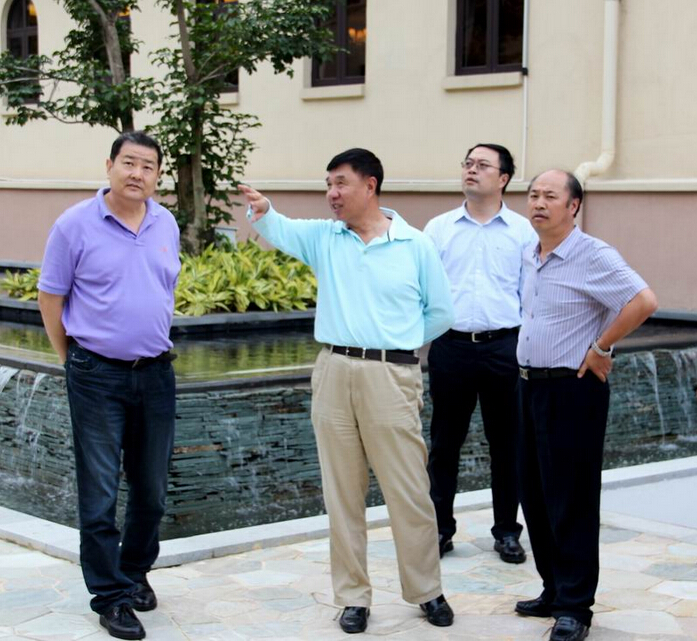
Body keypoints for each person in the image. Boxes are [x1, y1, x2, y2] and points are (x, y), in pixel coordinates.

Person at [239, 148, 455, 634]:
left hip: (391, 375)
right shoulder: (325, 237)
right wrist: (264, 209)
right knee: (342, 494)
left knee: (409, 491)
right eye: (328, 185)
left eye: (340, 183)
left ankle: (427, 590)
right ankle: (353, 597)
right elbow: (281, 228)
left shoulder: (414, 244)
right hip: (334, 370)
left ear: (370, 186)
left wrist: (397, 340)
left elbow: (441, 312)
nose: (332, 194)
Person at [37, 131, 180, 641]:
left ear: (157, 175)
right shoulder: (74, 225)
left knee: (152, 490)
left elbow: (163, 289)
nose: (137, 173)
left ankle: (135, 572)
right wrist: (72, 360)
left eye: (148, 166)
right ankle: (110, 597)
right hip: (96, 374)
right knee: (99, 493)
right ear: (110, 166)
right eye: (129, 163)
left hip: (156, 373)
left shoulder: (166, 223)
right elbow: (50, 299)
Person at [515, 170, 658, 641]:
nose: (539, 203)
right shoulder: (531, 253)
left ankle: (576, 607)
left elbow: (643, 301)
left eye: (550, 196)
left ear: (573, 205)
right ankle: (553, 589)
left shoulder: (593, 254)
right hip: (528, 386)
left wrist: (601, 347)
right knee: (534, 493)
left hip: (572, 390)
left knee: (571, 499)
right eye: (533, 195)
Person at [424, 143, 537, 562]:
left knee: (508, 444)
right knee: (444, 443)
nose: (471, 170)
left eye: (482, 165)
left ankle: (507, 531)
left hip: (504, 348)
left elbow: (532, 295)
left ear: (503, 178)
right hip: (450, 346)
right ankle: (440, 529)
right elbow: (422, 289)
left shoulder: (523, 232)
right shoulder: (438, 229)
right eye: (468, 163)